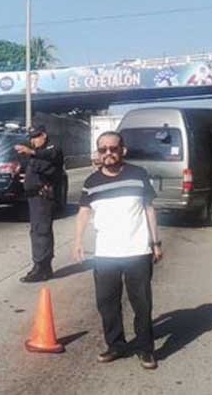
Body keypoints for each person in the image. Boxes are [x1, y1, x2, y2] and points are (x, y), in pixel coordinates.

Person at [72, 131, 162, 370]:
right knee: (107, 303)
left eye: (113, 148)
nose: (108, 153)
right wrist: (78, 241)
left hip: (137, 250)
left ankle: (145, 349)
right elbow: (83, 212)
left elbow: (149, 209)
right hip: (105, 253)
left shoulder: (138, 174)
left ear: (123, 150)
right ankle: (116, 345)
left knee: (141, 303)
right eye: (103, 149)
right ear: (98, 153)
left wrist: (156, 243)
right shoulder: (91, 181)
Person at [14, 125, 65, 283]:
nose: (33, 141)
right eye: (31, 138)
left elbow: (51, 156)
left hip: (43, 196)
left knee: (41, 231)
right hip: (34, 197)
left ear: (44, 135)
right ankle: (40, 265)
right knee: (36, 231)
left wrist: (31, 152)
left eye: (36, 137)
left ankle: (42, 267)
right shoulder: (37, 154)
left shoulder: (51, 148)